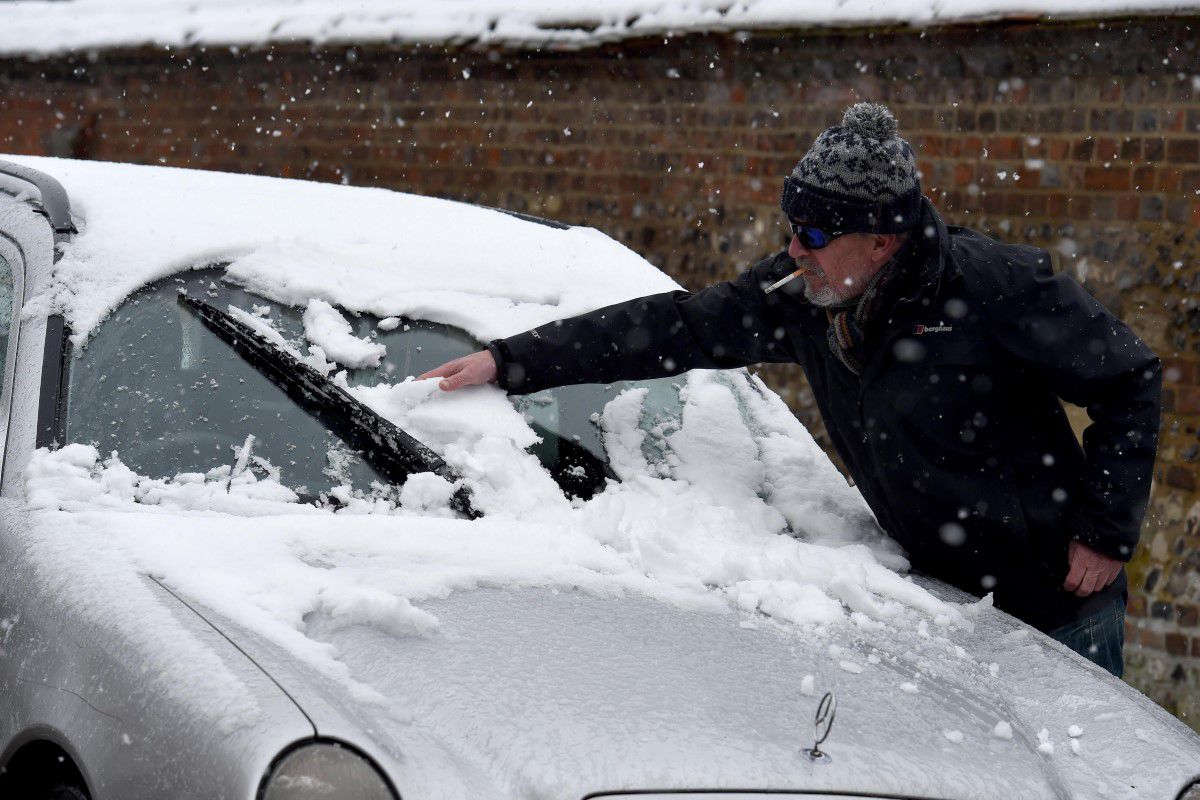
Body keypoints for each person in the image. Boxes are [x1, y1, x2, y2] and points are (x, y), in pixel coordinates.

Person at [419, 102, 1161, 677]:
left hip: (1055, 607)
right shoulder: (802, 299)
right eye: (791, 226)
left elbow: (1131, 378)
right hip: (942, 600)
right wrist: (509, 361)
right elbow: (674, 329)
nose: (792, 248)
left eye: (813, 233)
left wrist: (1105, 532)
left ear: (883, 239)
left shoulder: (993, 289)